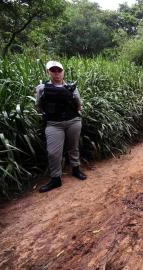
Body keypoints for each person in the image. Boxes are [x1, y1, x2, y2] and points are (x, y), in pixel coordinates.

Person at [35, 61, 87, 193]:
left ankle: (76, 169)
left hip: (73, 121)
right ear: (48, 72)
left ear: (63, 71)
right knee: (53, 152)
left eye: (59, 70)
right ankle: (56, 179)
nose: (57, 73)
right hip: (53, 124)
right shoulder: (41, 88)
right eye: (53, 70)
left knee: (73, 147)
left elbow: (79, 106)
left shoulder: (72, 87)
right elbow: (38, 106)